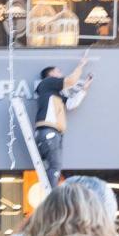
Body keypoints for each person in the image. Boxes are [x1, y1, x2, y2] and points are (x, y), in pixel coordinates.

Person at [33, 58, 92, 188]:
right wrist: (81, 65)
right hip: (48, 132)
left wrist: (84, 89)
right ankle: (51, 194)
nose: (61, 74)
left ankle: (50, 192)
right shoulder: (47, 83)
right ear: (51, 74)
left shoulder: (54, 94)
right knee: (55, 166)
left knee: (54, 166)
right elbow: (70, 81)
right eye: (58, 71)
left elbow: (71, 104)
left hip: (51, 133)